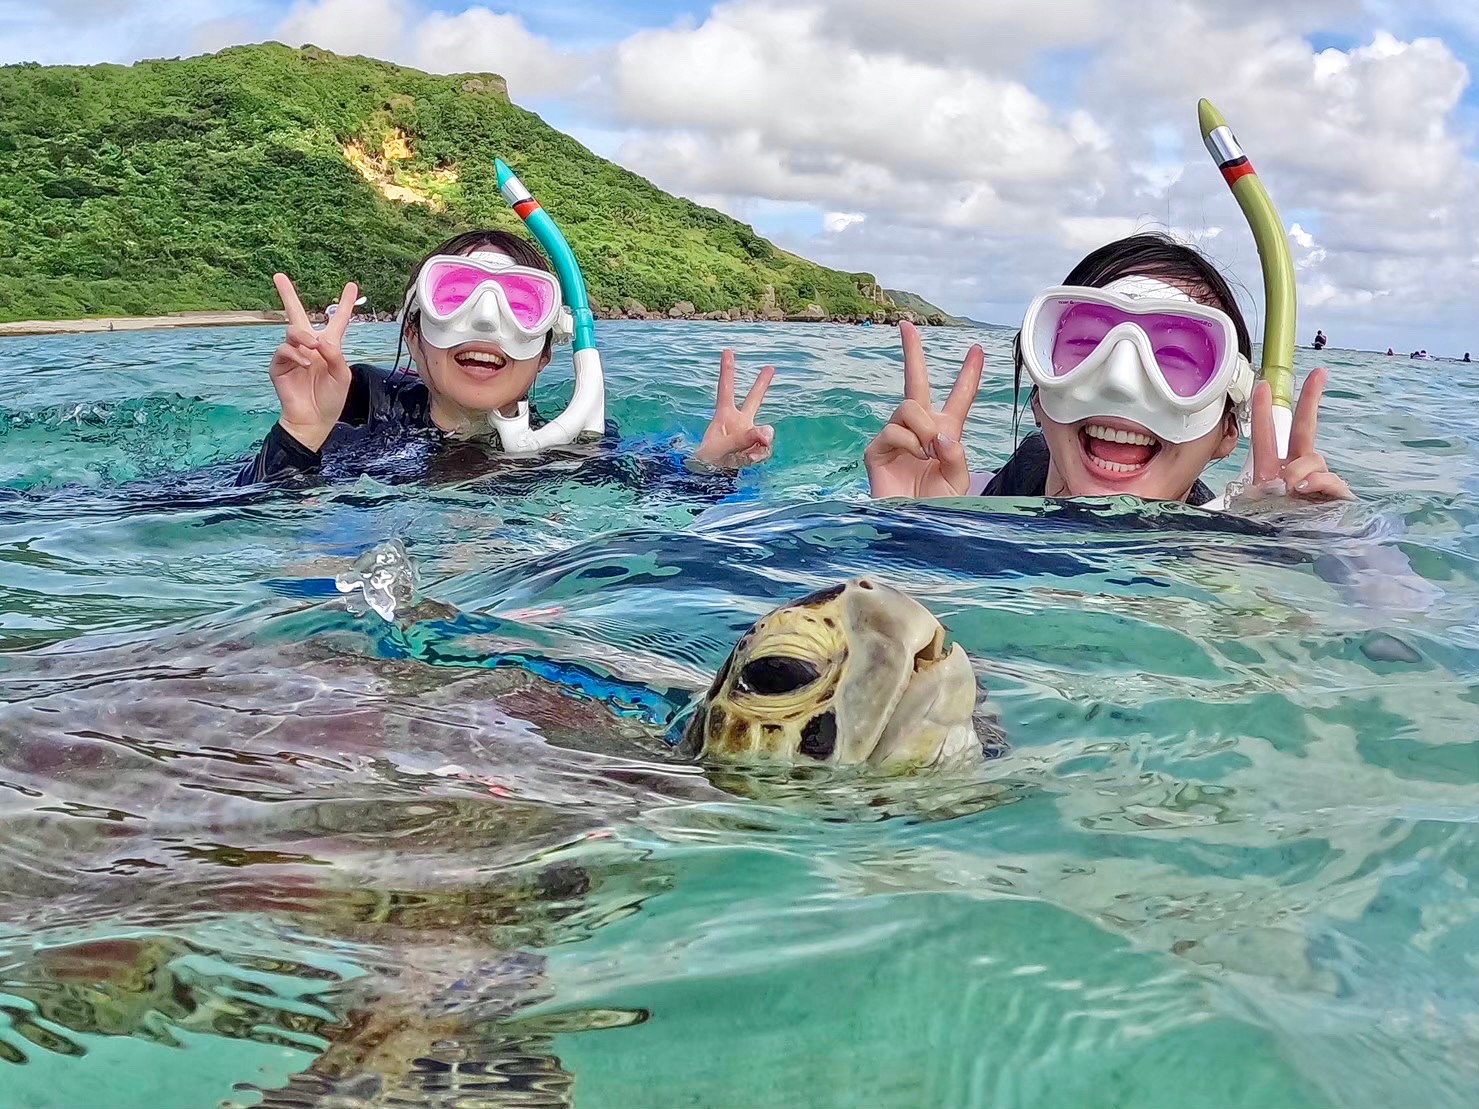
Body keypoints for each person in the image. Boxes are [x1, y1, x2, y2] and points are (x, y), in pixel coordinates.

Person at [237, 229, 773, 486]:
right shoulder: (357, 418)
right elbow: (228, 518)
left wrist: (711, 467)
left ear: (545, 354)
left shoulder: (571, 444)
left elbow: (668, 515)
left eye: (522, 304)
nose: (488, 322)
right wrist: (299, 434)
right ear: (415, 334)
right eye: (455, 296)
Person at [863, 233, 1351, 506]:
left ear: (1227, 431)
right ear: (1039, 397)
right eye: (1085, 344)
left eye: (1177, 359)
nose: (1119, 382)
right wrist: (909, 526)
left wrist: (1307, 554)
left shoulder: (1230, 560)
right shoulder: (965, 501)